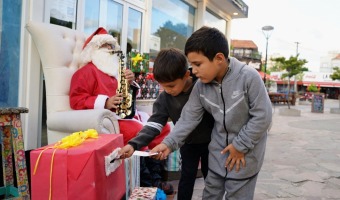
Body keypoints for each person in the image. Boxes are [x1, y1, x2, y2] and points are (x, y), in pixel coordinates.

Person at [151, 26, 273, 199]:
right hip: (217, 156)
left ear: (219, 58)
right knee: (209, 195)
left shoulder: (248, 77)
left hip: (244, 157)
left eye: (197, 64)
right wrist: (168, 144)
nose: (193, 70)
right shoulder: (200, 87)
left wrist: (240, 146)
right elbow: (188, 118)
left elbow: (263, 116)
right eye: (191, 64)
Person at [69, 27, 172, 193]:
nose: (111, 50)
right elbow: (76, 100)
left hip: (128, 115)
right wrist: (105, 102)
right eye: (106, 46)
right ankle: (147, 184)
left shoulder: (115, 72)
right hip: (109, 120)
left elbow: (129, 98)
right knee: (139, 131)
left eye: (112, 46)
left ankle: (157, 178)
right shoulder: (85, 72)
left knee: (163, 128)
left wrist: (130, 83)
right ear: (94, 50)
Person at [119, 48, 214, 200]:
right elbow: (154, 124)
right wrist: (133, 144)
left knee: (212, 179)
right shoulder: (164, 99)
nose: (167, 91)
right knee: (186, 178)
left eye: (171, 86)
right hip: (187, 143)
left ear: (186, 75)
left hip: (212, 142)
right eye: (163, 86)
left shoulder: (202, 85)